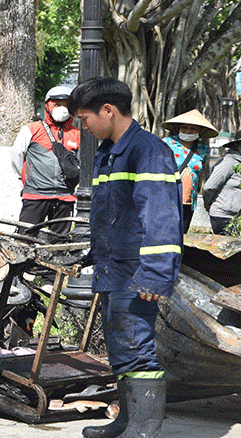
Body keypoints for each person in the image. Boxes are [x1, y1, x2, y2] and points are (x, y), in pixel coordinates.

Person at [68, 77, 182, 438]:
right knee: (120, 344)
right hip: (113, 270)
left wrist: (155, 274)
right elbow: (112, 215)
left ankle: (144, 428)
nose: (83, 128)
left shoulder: (148, 151)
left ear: (108, 110)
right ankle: (127, 421)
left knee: (137, 348)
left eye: (85, 119)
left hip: (137, 273)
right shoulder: (109, 151)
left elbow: (161, 217)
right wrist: (90, 256)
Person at [11, 86, 81, 236]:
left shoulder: (76, 133)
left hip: (65, 197)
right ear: (48, 106)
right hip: (36, 195)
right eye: (58, 104)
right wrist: (26, 182)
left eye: (66, 104)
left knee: (59, 240)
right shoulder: (31, 129)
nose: (62, 109)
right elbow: (17, 158)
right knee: (25, 238)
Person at [160, 110, 218, 234]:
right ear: (178, 128)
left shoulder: (202, 148)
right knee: (166, 232)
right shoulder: (167, 143)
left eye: (192, 128)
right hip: (168, 197)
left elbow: (199, 169)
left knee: (183, 234)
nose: (188, 131)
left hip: (189, 199)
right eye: (184, 127)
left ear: (199, 131)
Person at [202, 129, 241, 235]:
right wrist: (207, 204)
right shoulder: (228, 162)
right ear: (237, 146)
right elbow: (209, 187)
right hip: (224, 215)